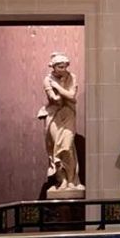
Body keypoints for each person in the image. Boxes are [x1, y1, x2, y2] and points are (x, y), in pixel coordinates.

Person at [37, 52, 81, 191]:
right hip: (54, 116)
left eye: (65, 66)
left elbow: (72, 97)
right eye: (60, 67)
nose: (64, 69)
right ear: (54, 67)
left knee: (67, 147)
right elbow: (56, 100)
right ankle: (62, 180)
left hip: (68, 114)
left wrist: (58, 86)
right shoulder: (47, 79)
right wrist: (60, 89)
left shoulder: (71, 77)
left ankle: (72, 180)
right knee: (56, 148)